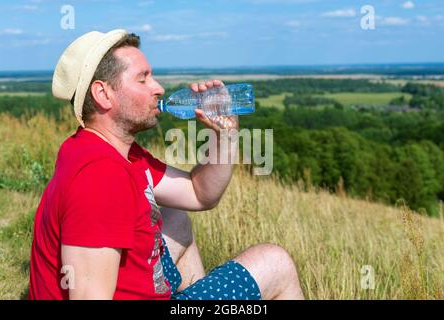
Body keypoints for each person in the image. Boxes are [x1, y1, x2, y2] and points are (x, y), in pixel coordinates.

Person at [28, 29, 304, 300]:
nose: (158, 88)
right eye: (143, 79)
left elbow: (199, 193)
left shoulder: (114, 152)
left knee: (174, 219)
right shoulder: (100, 178)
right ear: (103, 94)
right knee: (274, 263)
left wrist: (225, 134)